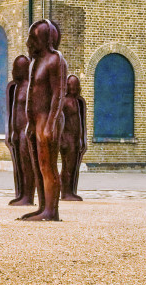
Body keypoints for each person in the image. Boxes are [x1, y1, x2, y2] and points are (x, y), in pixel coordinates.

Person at [21, 19, 67, 221]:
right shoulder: (35, 63)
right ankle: (42, 207)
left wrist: (50, 124)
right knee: (38, 166)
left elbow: (59, 94)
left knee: (48, 165)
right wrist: (30, 123)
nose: (29, 42)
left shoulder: (55, 60)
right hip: (35, 123)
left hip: (48, 121)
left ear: (45, 39)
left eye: (33, 38)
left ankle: (51, 210)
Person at [6, 55, 35, 206]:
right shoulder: (17, 87)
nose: (12, 71)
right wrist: (12, 131)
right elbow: (13, 112)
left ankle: (28, 196)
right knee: (20, 166)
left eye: (15, 68)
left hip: (26, 132)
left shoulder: (30, 87)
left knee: (27, 165)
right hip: (17, 132)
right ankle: (22, 193)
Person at [60, 74, 87, 201]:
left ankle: (71, 190)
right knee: (67, 166)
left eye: (76, 85)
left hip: (75, 139)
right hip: (68, 138)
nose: (75, 88)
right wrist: (62, 138)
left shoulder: (76, 101)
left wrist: (82, 139)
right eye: (72, 85)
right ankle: (65, 192)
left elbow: (80, 123)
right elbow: (59, 121)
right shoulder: (64, 102)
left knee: (73, 166)